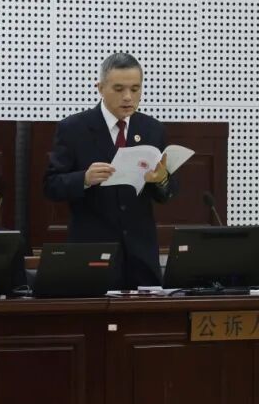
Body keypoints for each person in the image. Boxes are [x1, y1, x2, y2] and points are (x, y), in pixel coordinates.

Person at [43, 52, 177, 289]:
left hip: (141, 256)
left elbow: (168, 193)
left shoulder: (152, 129)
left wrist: (161, 179)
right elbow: (51, 185)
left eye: (135, 89)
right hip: (92, 252)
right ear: (100, 88)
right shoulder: (74, 128)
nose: (128, 97)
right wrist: (84, 178)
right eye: (118, 89)